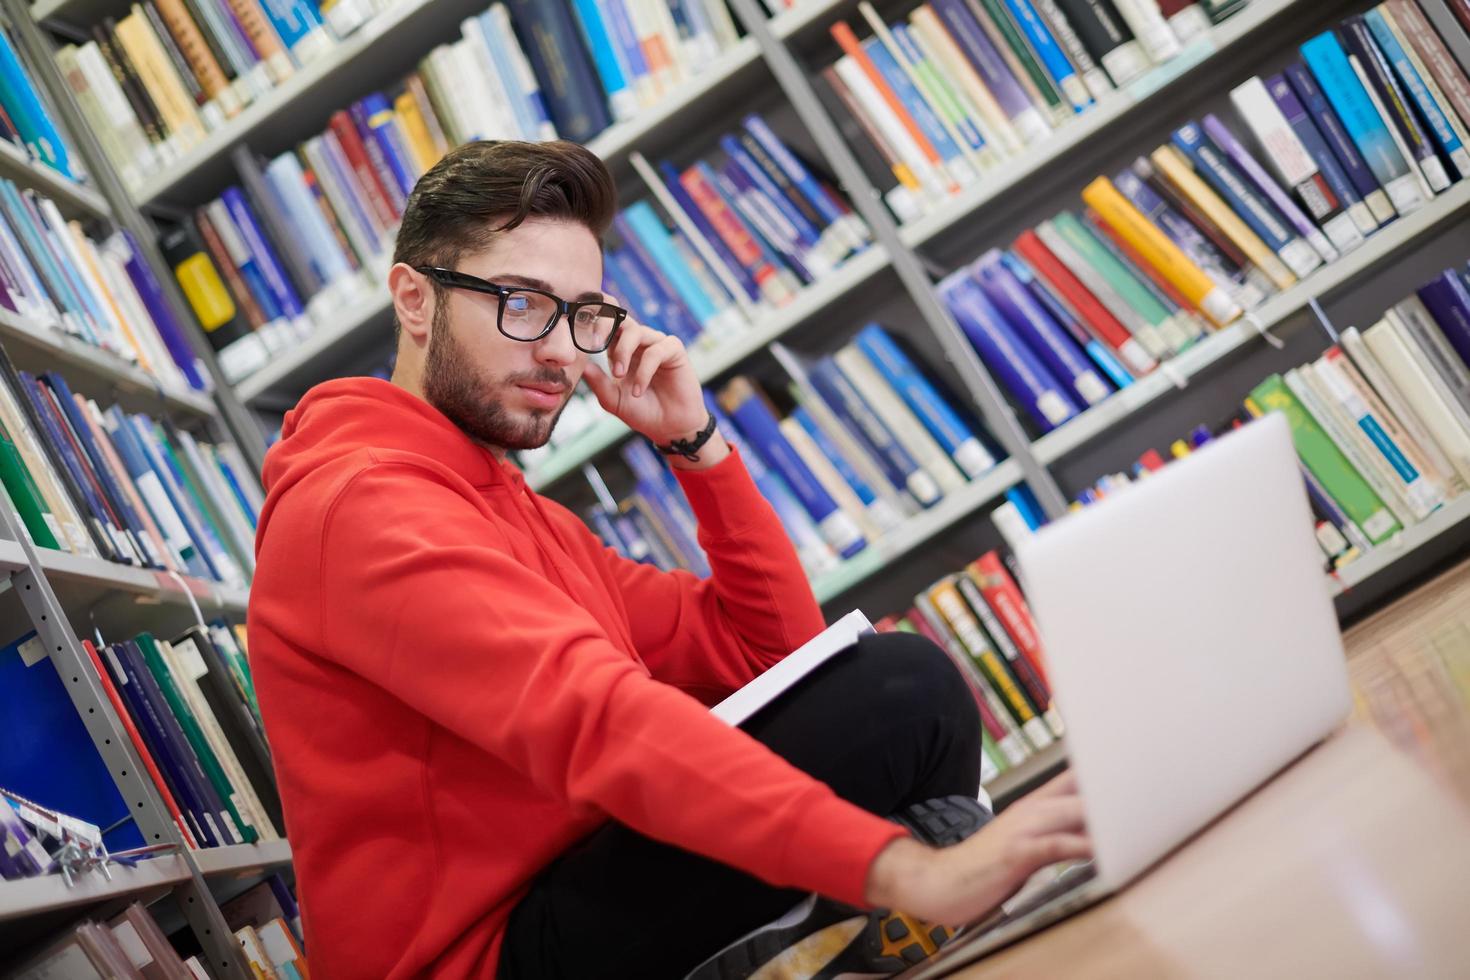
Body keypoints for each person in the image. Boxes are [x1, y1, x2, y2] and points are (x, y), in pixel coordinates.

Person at [248, 140, 1091, 979]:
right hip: (484, 956)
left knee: (907, 692)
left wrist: (697, 449)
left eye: (583, 315)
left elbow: (777, 656)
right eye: (523, 305)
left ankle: (819, 937)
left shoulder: (510, 505)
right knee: (899, 692)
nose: (562, 354)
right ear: (415, 300)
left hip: (574, 888)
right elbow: (597, 720)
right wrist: (914, 870)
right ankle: (841, 924)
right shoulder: (358, 508)